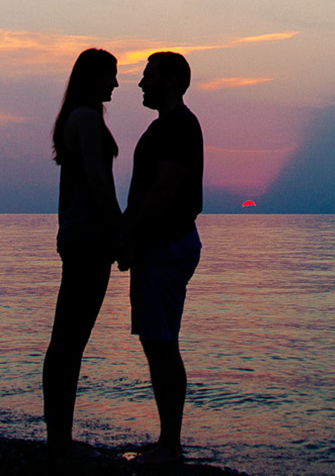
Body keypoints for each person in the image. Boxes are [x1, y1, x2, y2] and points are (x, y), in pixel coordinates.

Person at [118, 50, 204, 467]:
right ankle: (167, 442)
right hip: (160, 245)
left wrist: (128, 234)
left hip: (167, 245)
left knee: (162, 341)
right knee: (157, 341)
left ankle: (170, 446)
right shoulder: (167, 126)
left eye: (148, 75)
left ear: (170, 80)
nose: (140, 83)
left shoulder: (178, 126)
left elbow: (165, 189)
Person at [43, 47, 122, 457]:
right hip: (88, 240)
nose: (116, 83)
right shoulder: (87, 120)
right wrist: (121, 230)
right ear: (92, 77)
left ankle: (59, 436)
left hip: (78, 237)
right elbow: (98, 183)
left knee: (67, 341)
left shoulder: (78, 118)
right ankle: (60, 440)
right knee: (70, 342)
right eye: (110, 75)